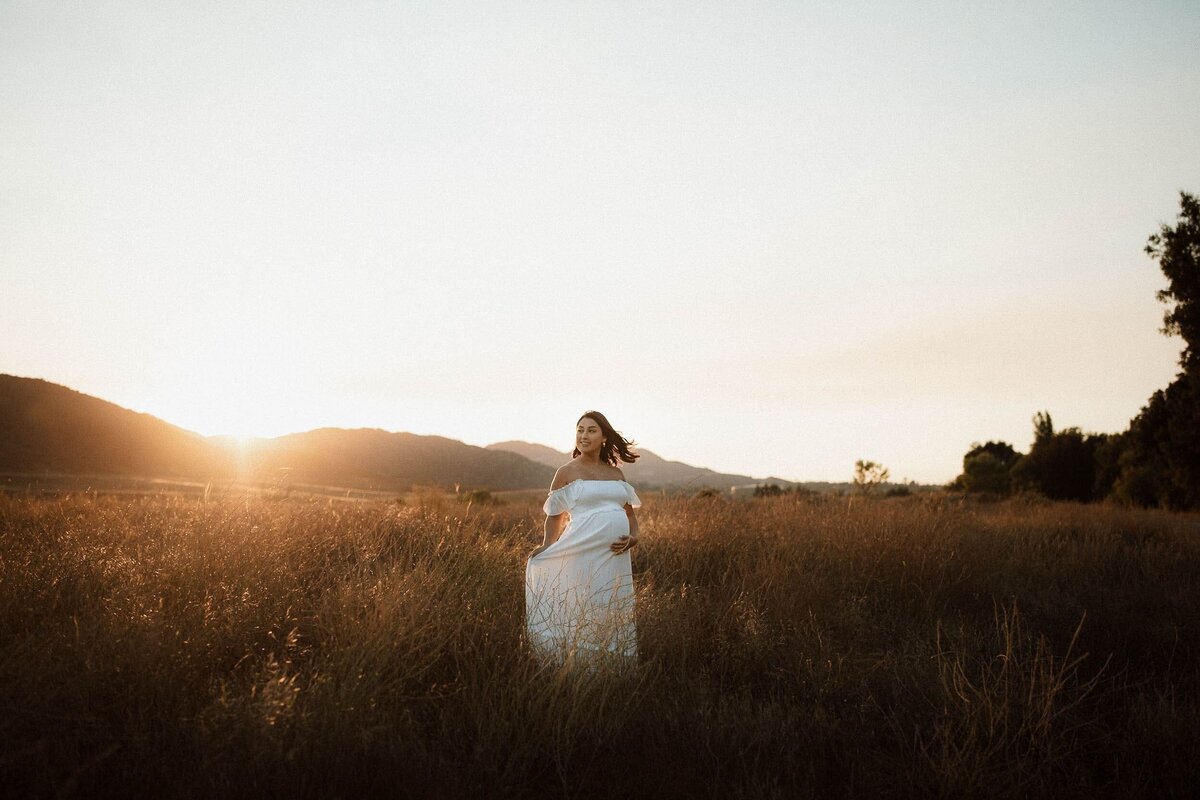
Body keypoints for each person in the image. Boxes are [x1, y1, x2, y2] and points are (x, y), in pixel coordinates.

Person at [524, 411, 642, 668]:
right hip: (582, 550)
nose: (584, 435)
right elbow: (555, 516)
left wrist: (634, 537)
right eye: (580, 430)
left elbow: (630, 515)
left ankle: (613, 669)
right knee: (583, 603)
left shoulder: (616, 474)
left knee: (610, 605)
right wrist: (548, 545)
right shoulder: (566, 472)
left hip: (615, 555)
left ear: (604, 437)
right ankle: (577, 667)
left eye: (591, 430)